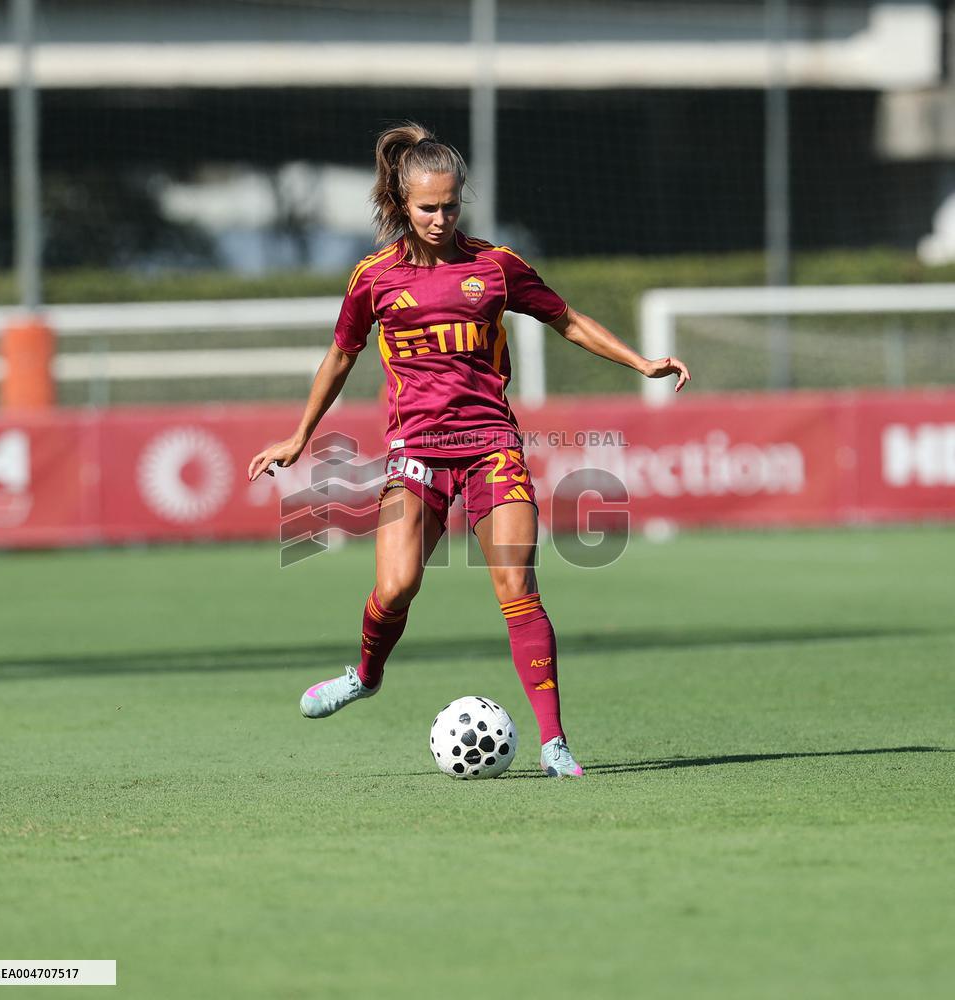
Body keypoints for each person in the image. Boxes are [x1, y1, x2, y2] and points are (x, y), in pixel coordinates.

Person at [247, 122, 690, 777]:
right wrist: (299, 437)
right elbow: (340, 357)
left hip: (491, 448)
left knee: (517, 584)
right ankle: (365, 675)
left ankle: (555, 745)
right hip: (416, 453)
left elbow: (566, 318)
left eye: (451, 205)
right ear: (401, 204)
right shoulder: (373, 279)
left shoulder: (497, 267)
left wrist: (640, 362)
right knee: (396, 586)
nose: (440, 218)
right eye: (428, 207)